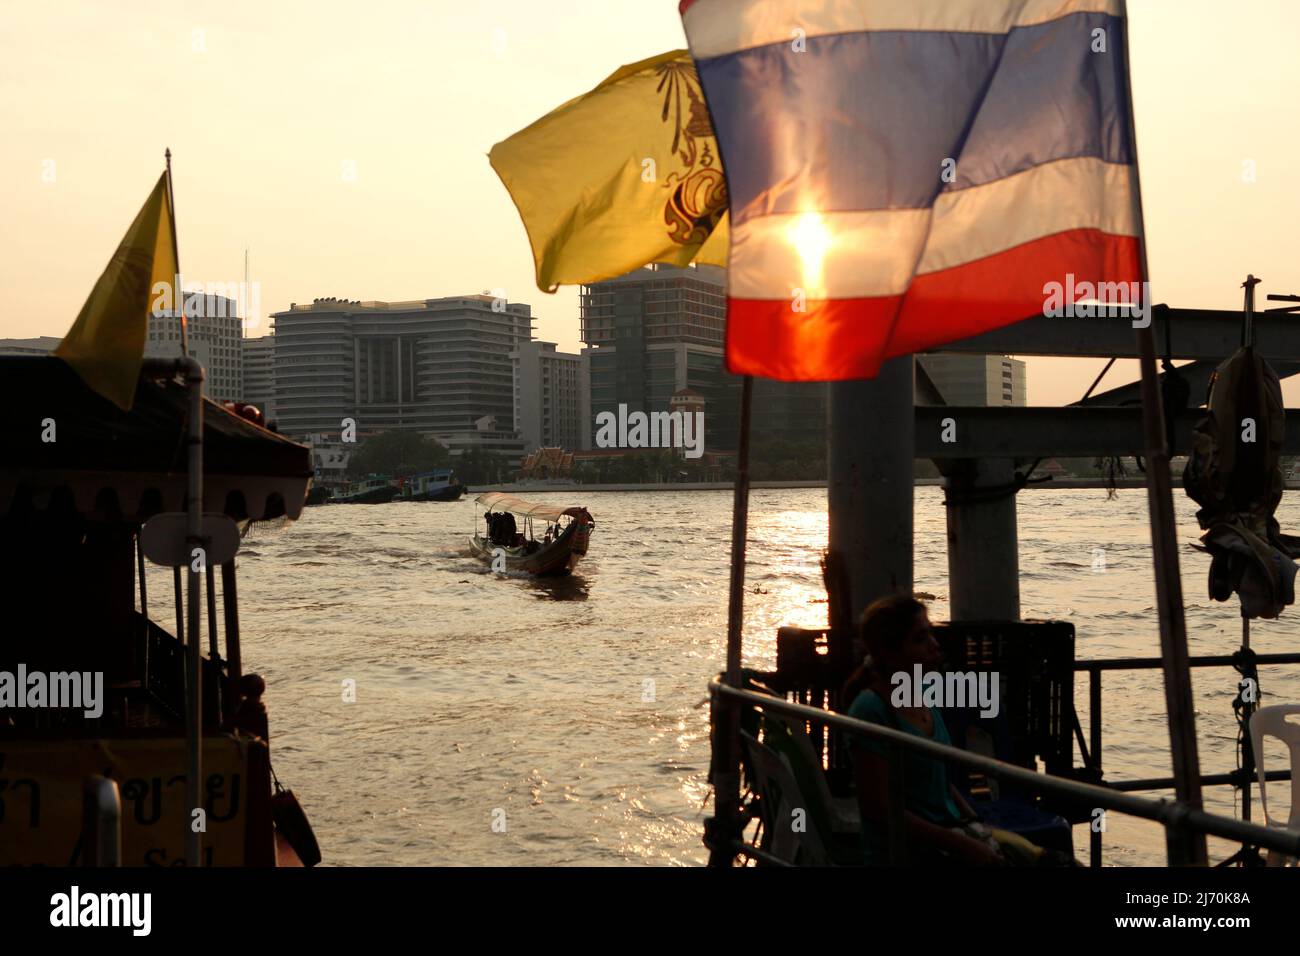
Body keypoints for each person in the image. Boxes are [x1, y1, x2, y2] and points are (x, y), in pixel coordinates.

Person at [845, 595, 1007, 866]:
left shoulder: (925, 696)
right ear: (889, 652)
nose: (934, 646)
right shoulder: (871, 710)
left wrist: (975, 825)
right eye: (920, 639)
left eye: (930, 634)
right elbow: (879, 810)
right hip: (908, 852)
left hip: (949, 838)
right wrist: (961, 844)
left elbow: (940, 781)